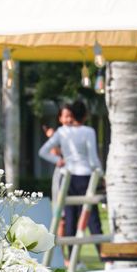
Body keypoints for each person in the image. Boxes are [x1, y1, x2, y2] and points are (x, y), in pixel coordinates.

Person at [39, 101, 102, 236]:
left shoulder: (61, 132)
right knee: (89, 217)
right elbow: (93, 159)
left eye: (69, 115)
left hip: (67, 177)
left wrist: (58, 160)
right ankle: (105, 256)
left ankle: (70, 253)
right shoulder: (87, 131)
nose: (68, 119)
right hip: (82, 176)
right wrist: (101, 175)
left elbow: (44, 151)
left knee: (70, 217)